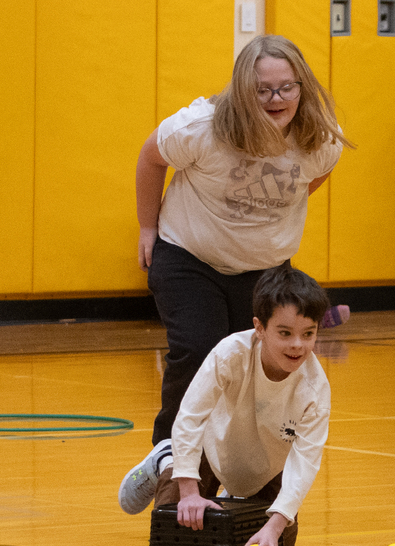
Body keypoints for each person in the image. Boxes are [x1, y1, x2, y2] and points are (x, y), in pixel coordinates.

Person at [137, 35, 351, 446]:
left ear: (301, 86)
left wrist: (267, 214)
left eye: (286, 87)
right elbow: (150, 158)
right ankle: (169, 458)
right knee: (199, 354)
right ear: (241, 91)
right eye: (262, 90)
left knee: (259, 367)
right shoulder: (200, 128)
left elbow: (313, 178)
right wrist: (147, 227)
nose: (276, 98)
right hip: (190, 259)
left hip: (266, 270)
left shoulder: (321, 139)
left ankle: (239, 465)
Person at [118, 266, 331, 546]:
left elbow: (305, 462)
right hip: (210, 447)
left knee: (280, 543)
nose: (297, 345)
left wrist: (276, 524)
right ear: (260, 328)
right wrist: (189, 493)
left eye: (308, 334)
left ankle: (234, 496)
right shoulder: (230, 354)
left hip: (264, 467)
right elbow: (190, 417)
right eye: (285, 333)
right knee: (176, 530)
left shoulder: (315, 389)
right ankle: (165, 461)